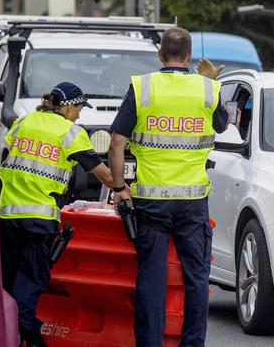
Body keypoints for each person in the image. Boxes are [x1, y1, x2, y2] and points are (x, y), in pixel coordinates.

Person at [108, 27, 229, 347]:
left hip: (152, 201)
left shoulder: (142, 87)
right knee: (196, 278)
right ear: (189, 57)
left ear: (160, 55)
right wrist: (212, 82)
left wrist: (120, 188)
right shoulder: (207, 90)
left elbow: (117, 143)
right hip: (192, 201)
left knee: (151, 278)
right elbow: (223, 125)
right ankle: (193, 343)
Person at [0, 82, 116, 347]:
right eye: (79, 109)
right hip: (38, 221)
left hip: (5, 217)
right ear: (69, 106)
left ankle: (12, 335)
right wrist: (125, 191)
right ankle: (30, 338)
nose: (80, 114)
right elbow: (103, 175)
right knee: (29, 285)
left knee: (6, 284)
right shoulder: (70, 132)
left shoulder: (24, 122)